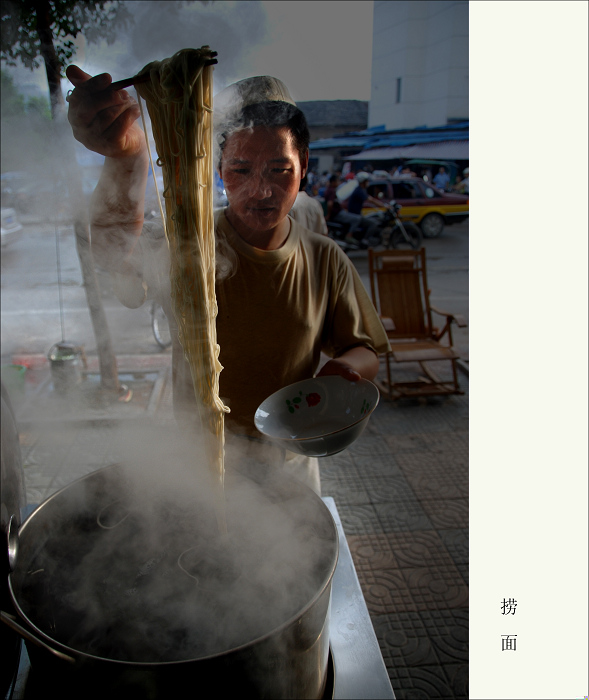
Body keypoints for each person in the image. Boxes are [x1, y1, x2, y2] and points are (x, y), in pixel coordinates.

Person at [65, 66, 390, 494]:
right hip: (198, 458)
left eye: (279, 169)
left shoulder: (323, 257)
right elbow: (111, 254)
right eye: (241, 169)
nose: (260, 190)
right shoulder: (186, 239)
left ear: (304, 165)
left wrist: (344, 369)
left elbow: (363, 348)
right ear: (218, 168)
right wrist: (126, 158)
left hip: (289, 459)